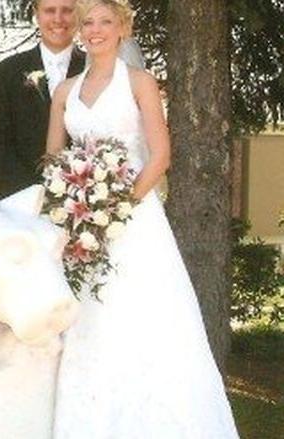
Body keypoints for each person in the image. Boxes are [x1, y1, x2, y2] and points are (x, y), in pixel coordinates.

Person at [45, 0, 240, 437]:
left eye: (105, 22)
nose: (95, 30)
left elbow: (161, 156)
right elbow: (53, 159)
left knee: (140, 319)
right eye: (88, 22)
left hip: (134, 221)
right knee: (89, 321)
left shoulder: (140, 82)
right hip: (81, 229)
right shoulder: (65, 91)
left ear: (122, 28)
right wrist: (74, 205)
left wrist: (114, 207)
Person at [0, 0, 86, 199]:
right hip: (21, 197)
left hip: (85, 197)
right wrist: (33, 193)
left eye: (66, 11)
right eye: (49, 10)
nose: (58, 18)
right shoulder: (6, 72)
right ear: (36, 14)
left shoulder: (94, 70)